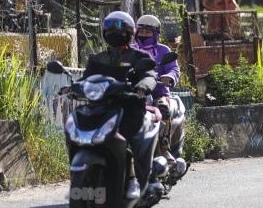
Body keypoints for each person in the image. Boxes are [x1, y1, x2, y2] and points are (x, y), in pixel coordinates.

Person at [69, 10, 158, 199]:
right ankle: (83, 175)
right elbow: (86, 80)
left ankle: (133, 177)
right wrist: (71, 89)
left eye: (119, 26)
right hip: (101, 108)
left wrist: (142, 87)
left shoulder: (139, 56)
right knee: (77, 127)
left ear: (129, 32)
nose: (113, 31)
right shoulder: (97, 59)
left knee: (125, 137)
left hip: (129, 109)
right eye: (108, 26)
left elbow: (149, 75)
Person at [132, 14, 181, 165]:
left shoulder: (163, 50)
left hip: (158, 93)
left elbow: (174, 69)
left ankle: (164, 148)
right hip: (133, 93)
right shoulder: (130, 50)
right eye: (141, 32)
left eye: (148, 32)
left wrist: (168, 77)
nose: (144, 35)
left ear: (156, 34)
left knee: (163, 107)